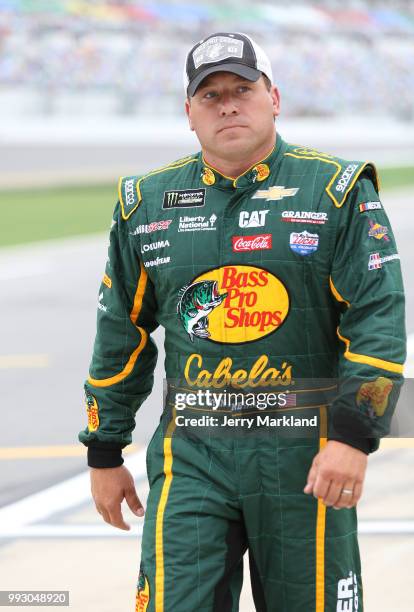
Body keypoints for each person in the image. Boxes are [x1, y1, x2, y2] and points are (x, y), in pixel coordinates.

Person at [79, 32, 406, 612]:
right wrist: (105, 450)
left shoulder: (337, 190)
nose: (228, 104)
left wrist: (355, 436)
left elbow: (379, 322)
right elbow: (119, 336)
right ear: (189, 113)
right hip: (193, 456)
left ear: (274, 98)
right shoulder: (145, 203)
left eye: (242, 89)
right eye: (210, 96)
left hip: (307, 457)